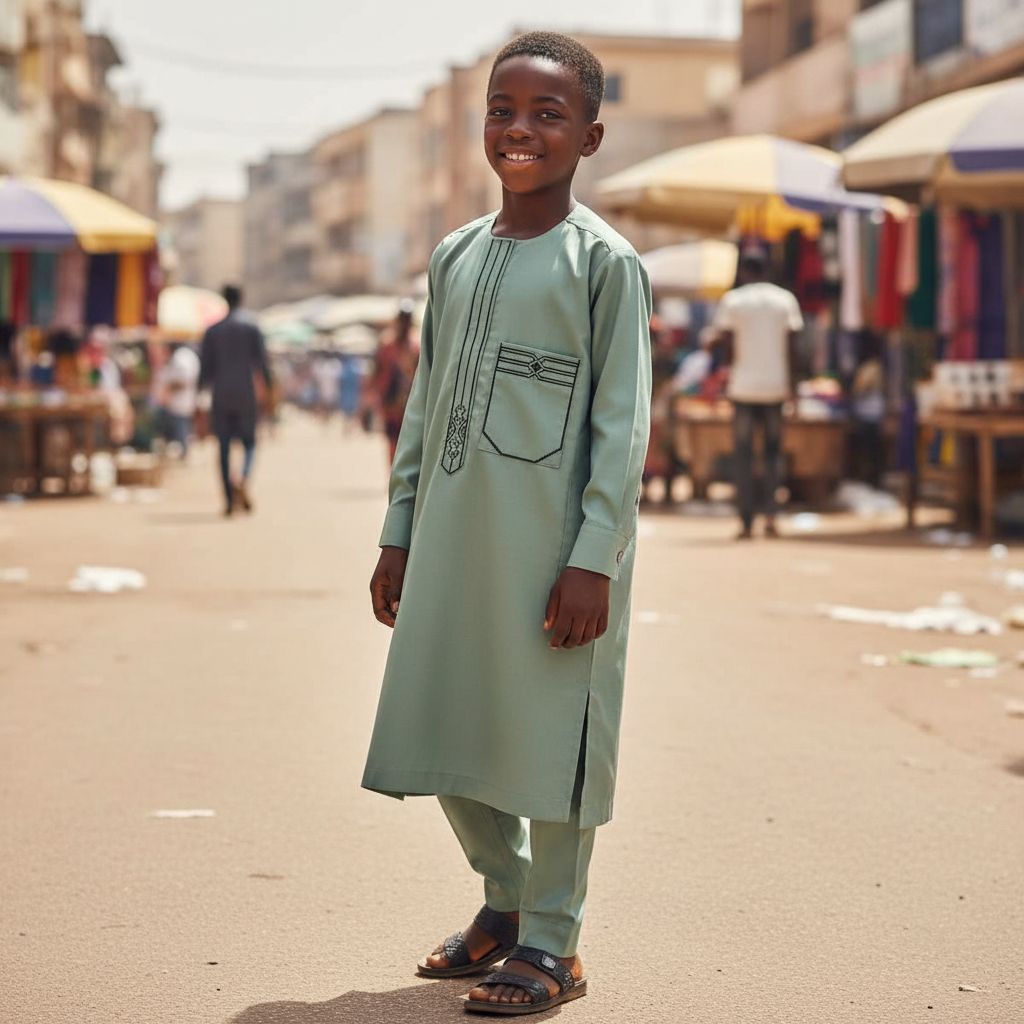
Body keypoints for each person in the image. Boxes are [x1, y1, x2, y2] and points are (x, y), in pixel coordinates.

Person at [364, 33, 651, 1016]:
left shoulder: (603, 263)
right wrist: (399, 528)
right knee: (446, 716)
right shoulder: (452, 257)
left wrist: (592, 559)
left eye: (547, 113)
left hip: (555, 554)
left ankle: (555, 942)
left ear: (590, 136)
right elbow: (424, 403)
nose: (519, 129)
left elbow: (622, 427)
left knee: (552, 743)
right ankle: (506, 900)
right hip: (449, 538)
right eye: (502, 108)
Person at [708, 251, 803, 539]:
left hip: (744, 388)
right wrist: (793, 388)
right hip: (775, 387)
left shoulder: (734, 301)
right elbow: (793, 348)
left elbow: (728, 344)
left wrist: (725, 376)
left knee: (744, 455)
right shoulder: (785, 300)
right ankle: (771, 515)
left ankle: (747, 520)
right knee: (773, 454)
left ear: (744, 272)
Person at [199, 284, 272, 516]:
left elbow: (204, 371)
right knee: (249, 442)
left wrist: (198, 399)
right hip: (245, 393)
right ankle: (242, 476)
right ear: (241, 299)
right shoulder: (252, 327)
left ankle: (229, 500)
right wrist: (269, 391)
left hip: (221, 395)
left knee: (222, 447)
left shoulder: (212, 331)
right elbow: (263, 364)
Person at [371, 301, 420, 464]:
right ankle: (393, 476)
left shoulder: (416, 346)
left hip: (411, 403)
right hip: (391, 404)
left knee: (408, 443)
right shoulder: (387, 345)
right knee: (392, 441)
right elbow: (377, 372)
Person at [157, 344, 201, 458]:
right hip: (182, 401)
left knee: (181, 426)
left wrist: (168, 389)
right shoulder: (185, 355)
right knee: (181, 426)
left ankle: (184, 452)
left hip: (181, 401)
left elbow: (183, 380)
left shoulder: (181, 357)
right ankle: (183, 450)